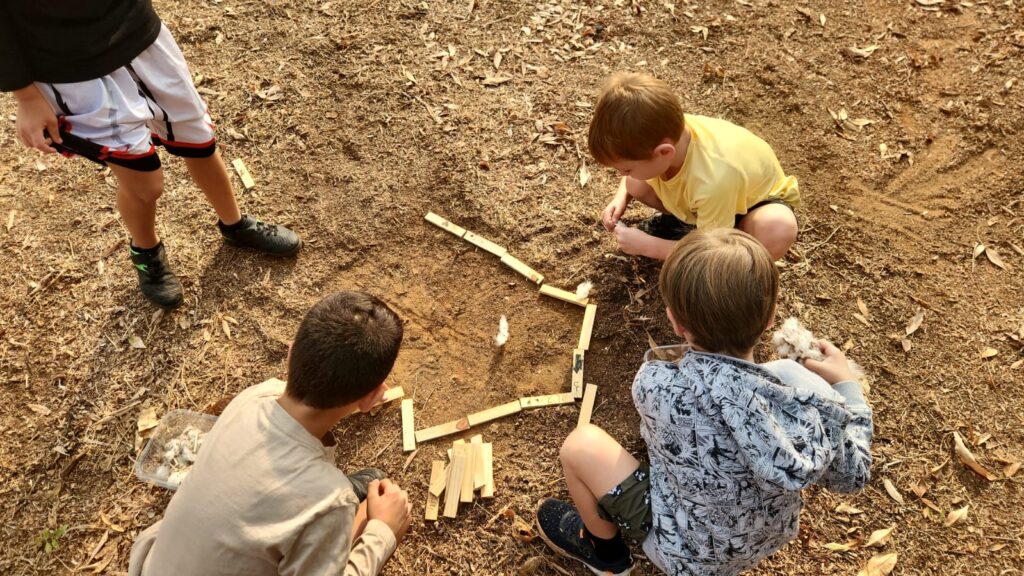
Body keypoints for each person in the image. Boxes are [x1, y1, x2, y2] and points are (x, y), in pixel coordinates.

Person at [536, 229, 872, 575]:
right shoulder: (811, 402)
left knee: (580, 445)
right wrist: (846, 386)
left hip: (682, 550)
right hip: (762, 539)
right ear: (771, 318)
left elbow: (706, 385)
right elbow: (853, 477)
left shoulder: (654, 383)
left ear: (674, 322)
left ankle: (607, 555)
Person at [0, 1, 302, 309]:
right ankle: (146, 252)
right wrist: (25, 95)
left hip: (141, 34)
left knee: (199, 141)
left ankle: (235, 225)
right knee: (145, 185)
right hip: (70, 69)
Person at [128, 291, 412, 576]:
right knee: (350, 516)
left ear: (289, 355)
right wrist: (382, 531)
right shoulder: (331, 502)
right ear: (371, 397)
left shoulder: (254, 398)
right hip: (322, 502)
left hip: (152, 566)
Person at [588, 72, 799, 261]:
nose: (621, 175)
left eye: (626, 169)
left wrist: (649, 247)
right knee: (636, 184)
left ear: (664, 152)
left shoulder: (714, 178)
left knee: (775, 229)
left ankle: (738, 266)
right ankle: (693, 226)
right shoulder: (664, 129)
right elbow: (634, 174)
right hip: (712, 199)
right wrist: (621, 196)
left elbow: (713, 249)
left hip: (752, 206)